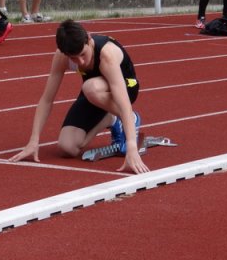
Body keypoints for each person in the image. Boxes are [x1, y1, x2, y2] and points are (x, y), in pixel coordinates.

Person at [9, 19, 149, 175]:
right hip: (94, 93)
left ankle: (130, 118)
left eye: (83, 54)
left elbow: (122, 101)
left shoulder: (106, 55)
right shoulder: (62, 57)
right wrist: (33, 141)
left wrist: (132, 146)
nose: (81, 61)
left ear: (89, 39)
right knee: (67, 147)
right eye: (74, 58)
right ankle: (111, 119)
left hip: (126, 87)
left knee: (90, 87)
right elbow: (47, 99)